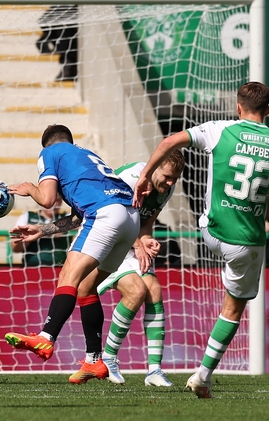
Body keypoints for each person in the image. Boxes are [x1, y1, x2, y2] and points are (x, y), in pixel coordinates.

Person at [131, 82, 269, 399]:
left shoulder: (219, 130)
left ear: (238, 108)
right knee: (233, 310)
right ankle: (203, 376)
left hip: (210, 229)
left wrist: (144, 175)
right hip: (246, 243)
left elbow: (170, 141)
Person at [4, 125, 140, 367]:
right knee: (87, 288)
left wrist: (30, 189)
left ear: (47, 144)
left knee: (68, 274)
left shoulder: (50, 152)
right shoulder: (86, 157)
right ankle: (94, 360)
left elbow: (46, 199)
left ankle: (46, 337)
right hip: (130, 219)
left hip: (105, 214)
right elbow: (77, 218)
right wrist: (42, 230)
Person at [67, 152, 184, 387]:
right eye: (168, 177)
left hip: (128, 243)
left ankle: (154, 371)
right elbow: (114, 220)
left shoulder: (165, 188)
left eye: (176, 179)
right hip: (105, 242)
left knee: (154, 289)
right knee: (136, 291)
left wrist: (147, 239)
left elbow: (146, 222)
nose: (171, 183)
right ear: (153, 168)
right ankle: (108, 358)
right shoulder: (128, 179)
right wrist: (137, 243)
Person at [12, 194, 71, 266]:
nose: (53, 203)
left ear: (62, 201)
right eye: (50, 199)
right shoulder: (27, 216)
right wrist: (32, 235)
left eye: (57, 200)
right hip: (31, 266)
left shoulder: (67, 217)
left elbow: (83, 222)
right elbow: (15, 248)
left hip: (59, 266)